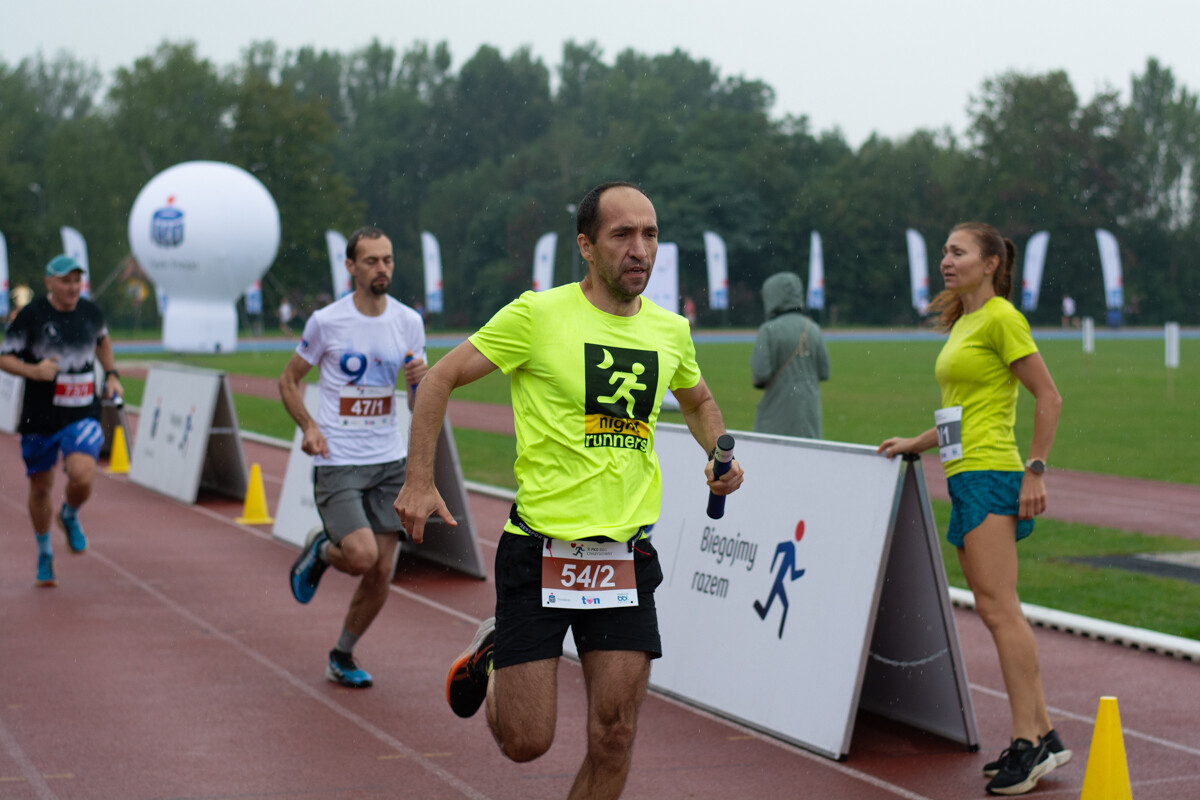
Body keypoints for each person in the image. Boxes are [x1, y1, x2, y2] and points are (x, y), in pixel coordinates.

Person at [394, 182, 744, 800]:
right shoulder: (537, 315)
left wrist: (717, 454)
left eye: (650, 234)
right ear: (585, 245)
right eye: (622, 235)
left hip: (624, 558)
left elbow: (699, 400)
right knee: (528, 742)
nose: (640, 249)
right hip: (539, 551)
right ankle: (495, 650)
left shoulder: (670, 331)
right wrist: (419, 480)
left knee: (615, 734)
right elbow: (440, 379)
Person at [877, 223, 1066, 796]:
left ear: (989, 263)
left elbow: (1049, 397)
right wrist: (918, 442)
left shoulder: (1003, 318)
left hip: (991, 475)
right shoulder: (966, 322)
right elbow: (961, 411)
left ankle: (1030, 744)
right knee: (995, 608)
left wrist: (1035, 468)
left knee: (1001, 611)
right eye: (943, 252)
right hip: (964, 474)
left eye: (957, 252)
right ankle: (1045, 736)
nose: (945, 261)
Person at [280, 226, 428, 689]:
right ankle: (322, 550)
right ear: (351, 267)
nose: (381, 268)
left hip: (388, 459)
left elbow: (416, 404)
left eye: (387, 260)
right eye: (371, 261)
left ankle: (341, 654)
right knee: (361, 556)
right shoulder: (327, 322)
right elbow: (287, 381)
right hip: (338, 459)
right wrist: (309, 427)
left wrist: (420, 382)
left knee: (382, 570)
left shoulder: (408, 322)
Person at [0, 256, 123, 586]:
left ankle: (68, 515)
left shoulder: (91, 312)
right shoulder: (32, 315)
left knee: (82, 475)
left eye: (76, 281)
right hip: (40, 416)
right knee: (41, 487)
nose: (72, 287)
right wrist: (33, 371)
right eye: (65, 281)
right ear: (49, 282)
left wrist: (111, 375)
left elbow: (103, 341)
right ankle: (44, 552)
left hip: (82, 411)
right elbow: (4, 356)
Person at [750, 272, 831, 438]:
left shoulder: (768, 330)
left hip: (777, 414)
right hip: (809, 415)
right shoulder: (813, 328)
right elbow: (824, 372)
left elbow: (761, 374)